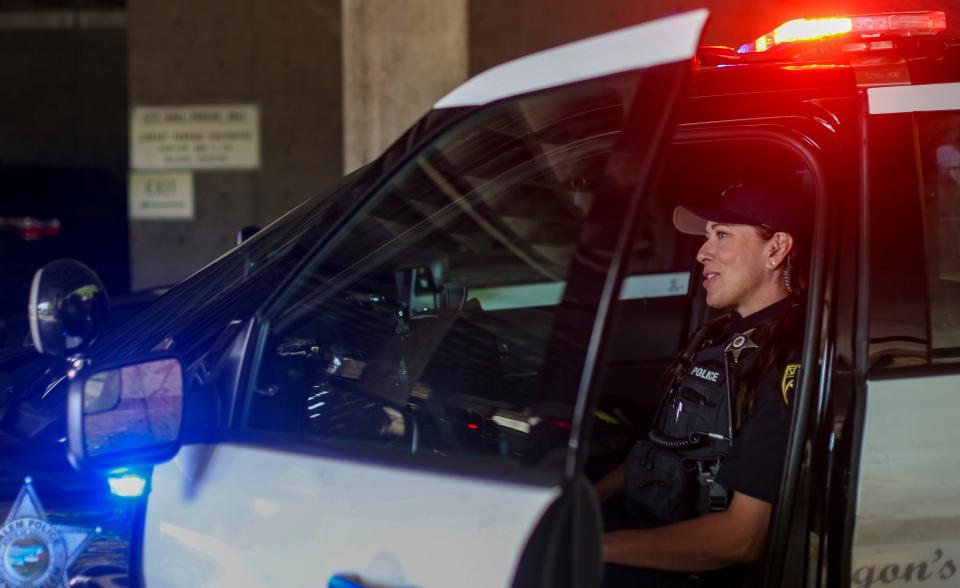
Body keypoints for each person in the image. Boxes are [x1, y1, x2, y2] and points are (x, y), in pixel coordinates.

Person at [596, 183, 811, 586]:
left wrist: (596, 546)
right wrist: (588, 498)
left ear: (776, 248)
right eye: (706, 236)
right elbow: (661, 446)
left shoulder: (790, 355)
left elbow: (741, 538)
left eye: (722, 234)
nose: (701, 252)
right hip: (652, 521)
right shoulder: (717, 335)